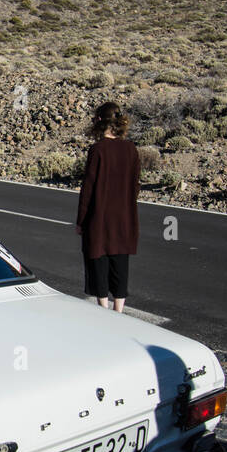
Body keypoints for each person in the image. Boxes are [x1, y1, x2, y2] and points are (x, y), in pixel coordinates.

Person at [75, 101, 140, 313]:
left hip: (100, 216)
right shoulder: (131, 149)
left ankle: (104, 309)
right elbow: (135, 184)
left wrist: (82, 220)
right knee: (120, 262)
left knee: (99, 260)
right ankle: (119, 311)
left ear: (100, 121)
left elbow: (89, 188)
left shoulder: (98, 150)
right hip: (124, 216)